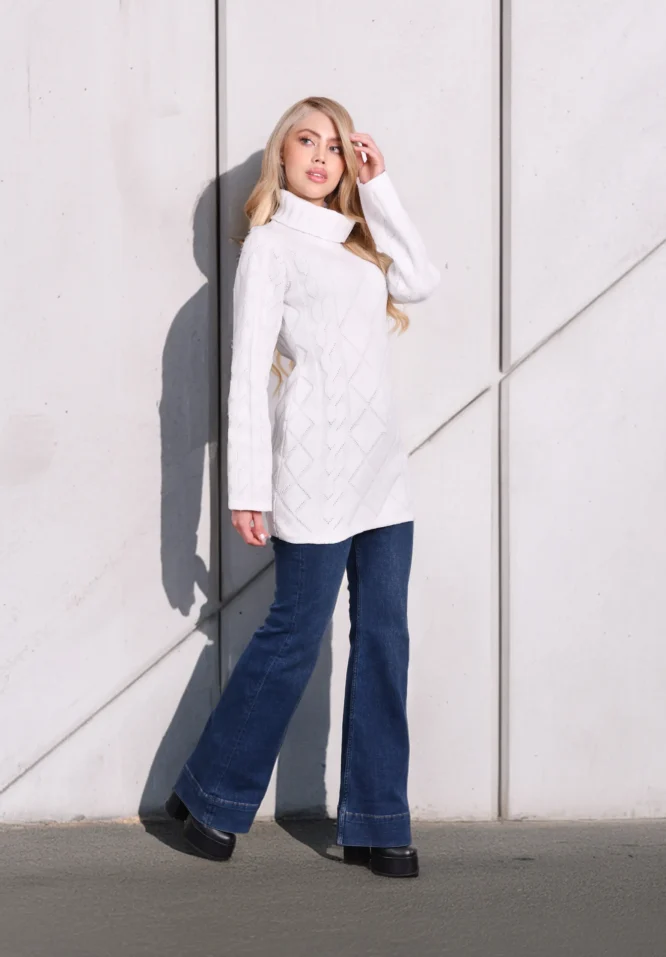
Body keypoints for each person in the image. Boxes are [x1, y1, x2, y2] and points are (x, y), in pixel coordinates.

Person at [165, 95, 440, 879]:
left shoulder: (357, 242)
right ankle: (212, 794)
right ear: (280, 156)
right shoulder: (270, 247)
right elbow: (248, 375)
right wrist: (246, 489)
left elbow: (420, 280)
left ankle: (378, 819)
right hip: (312, 473)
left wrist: (379, 188)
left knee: (384, 637)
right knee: (294, 637)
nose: (321, 156)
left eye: (335, 145)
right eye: (306, 141)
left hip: (383, 477)